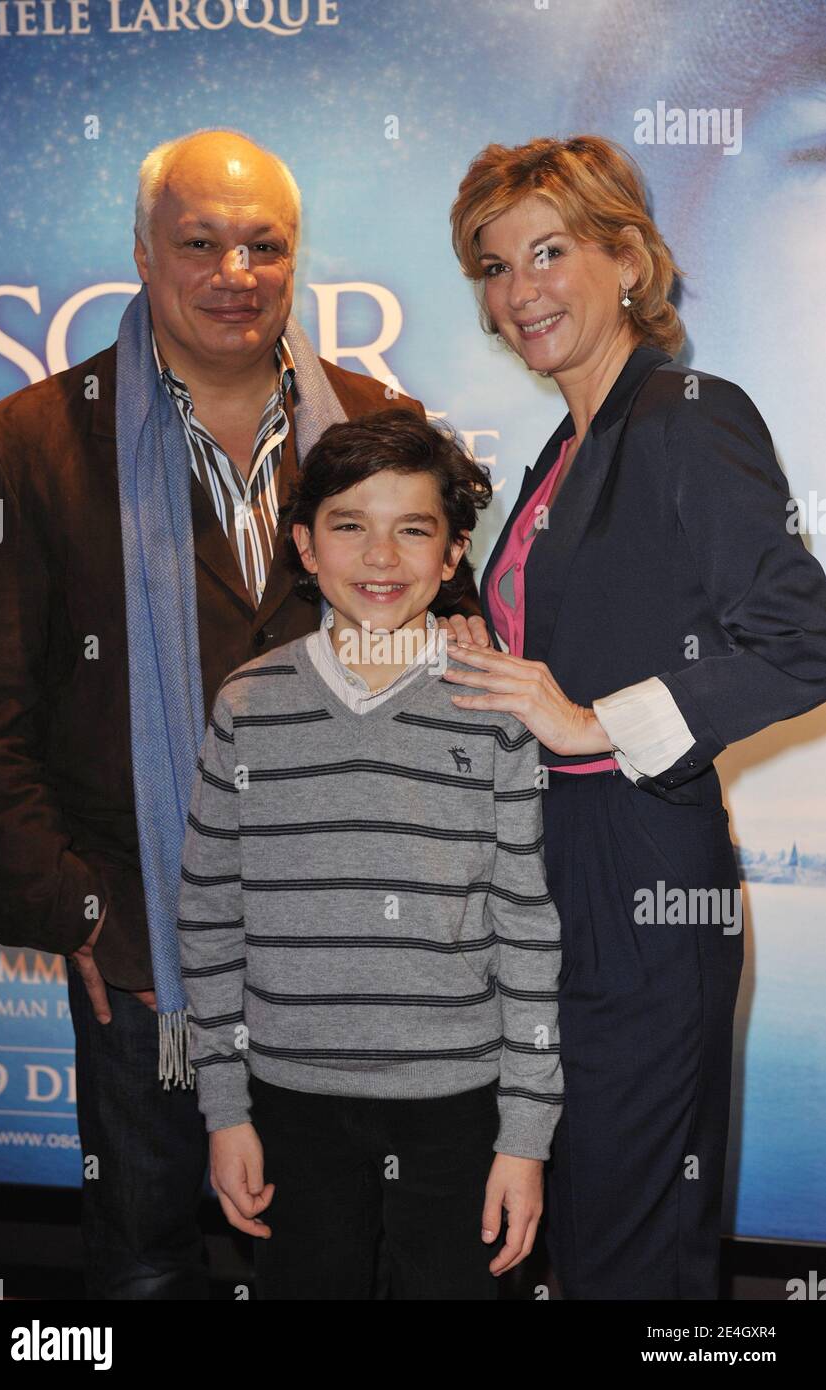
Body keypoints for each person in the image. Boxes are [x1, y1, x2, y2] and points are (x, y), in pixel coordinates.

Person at [0, 128, 483, 1300]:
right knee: (146, 1261)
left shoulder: (375, 422)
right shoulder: (28, 445)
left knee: (344, 1258)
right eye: (198, 241)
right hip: (144, 948)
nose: (232, 272)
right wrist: (79, 912)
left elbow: (439, 654)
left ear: (295, 259)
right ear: (143, 253)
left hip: (354, 948)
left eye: (263, 245)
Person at [442, 134, 826, 1299]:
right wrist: (488, 653)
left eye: (549, 252)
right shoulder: (569, 444)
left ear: (625, 258)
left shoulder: (685, 415)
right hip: (548, 883)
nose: (521, 292)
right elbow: (600, 621)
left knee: (630, 1256)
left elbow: (802, 633)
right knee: (567, 1240)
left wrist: (589, 721)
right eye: (495, 267)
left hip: (640, 885)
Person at [177, 409, 564, 1300]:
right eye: (350, 527)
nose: (380, 558)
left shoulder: (496, 706)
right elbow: (208, 911)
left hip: (459, 1111)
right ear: (306, 548)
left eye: (412, 530)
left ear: (453, 552)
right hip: (289, 1103)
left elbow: (525, 927)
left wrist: (523, 1138)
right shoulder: (249, 705)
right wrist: (225, 1110)